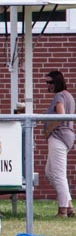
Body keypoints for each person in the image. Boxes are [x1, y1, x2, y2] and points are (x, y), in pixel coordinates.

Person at [44, 70, 74, 217]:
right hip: (65, 137)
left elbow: (61, 115)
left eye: (50, 82)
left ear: (57, 82)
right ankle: (69, 206)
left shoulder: (59, 96)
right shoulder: (69, 96)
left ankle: (63, 211)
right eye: (46, 82)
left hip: (58, 137)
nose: (48, 85)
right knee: (50, 172)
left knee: (58, 174)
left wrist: (48, 129)